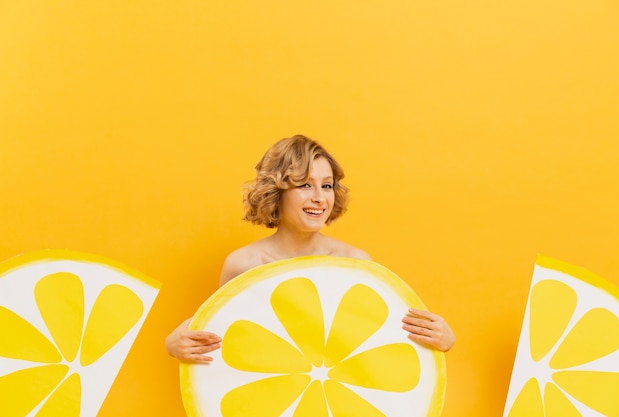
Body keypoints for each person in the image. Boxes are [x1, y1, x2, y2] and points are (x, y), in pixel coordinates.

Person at [165, 135, 455, 363]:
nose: (319, 198)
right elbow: (223, 335)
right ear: (277, 192)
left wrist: (444, 338)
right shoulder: (244, 265)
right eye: (304, 185)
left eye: (326, 186)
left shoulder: (354, 263)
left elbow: (377, 337)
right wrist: (173, 343)